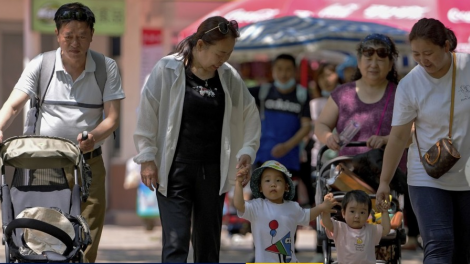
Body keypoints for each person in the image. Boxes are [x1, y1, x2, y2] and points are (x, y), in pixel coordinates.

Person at [0, 2, 124, 262]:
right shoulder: (41, 65)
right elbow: (12, 105)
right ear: (57, 35)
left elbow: (112, 118)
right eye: (68, 36)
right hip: (46, 165)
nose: (75, 43)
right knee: (44, 233)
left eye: (81, 36)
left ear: (92, 35)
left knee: (87, 235)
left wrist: (93, 138)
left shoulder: (106, 67)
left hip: (88, 164)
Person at [133, 16, 260, 263]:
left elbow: (250, 113)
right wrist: (147, 157)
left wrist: (247, 149)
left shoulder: (228, 76)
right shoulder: (167, 69)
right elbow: (147, 115)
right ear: (200, 45)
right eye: (220, 53)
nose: (224, 59)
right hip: (174, 170)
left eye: (229, 53)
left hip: (212, 171)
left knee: (207, 243)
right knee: (175, 241)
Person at [376, 18, 470, 264]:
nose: (422, 60)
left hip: (468, 173)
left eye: (428, 53)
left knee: (465, 250)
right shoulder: (410, 85)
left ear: (447, 46)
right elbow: (398, 136)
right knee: (439, 242)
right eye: (416, 54)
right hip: (427, 173)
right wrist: (384, 181)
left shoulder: (468, 67)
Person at [314, 33, 407, 172]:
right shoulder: (342, 94)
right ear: (358, 62)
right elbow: (321, 125)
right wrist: (328, 137)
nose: (374, 64)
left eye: (380, 59)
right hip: (349, 179)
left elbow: (413, 134)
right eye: (368, 58)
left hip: (390, 181)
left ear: (390, 65)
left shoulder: (402, 95)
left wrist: (386, 139)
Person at [233, 160, 338, 262]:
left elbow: (307, 215)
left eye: (278, 180)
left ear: (286, 187)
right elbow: (239, 205)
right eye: (267, 180)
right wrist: (238, 183)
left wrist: (322, 207)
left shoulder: (293, 207)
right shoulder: (257, 206)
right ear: (260, 187)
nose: (273, 184)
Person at [249, 54, 312, 204]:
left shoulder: (301, 95)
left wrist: (287, 146)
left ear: (295, 71)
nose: (284, 74)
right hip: (263, 157)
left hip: (290, 160)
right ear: (273, 70)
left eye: (288, 69)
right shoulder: (263, 92)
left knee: (288, 205)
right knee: (259, 205)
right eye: (279, 69)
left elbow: (306, 126)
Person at [321, 190, 391, 264]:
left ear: (368, 215)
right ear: (343, 213)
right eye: (352, 211)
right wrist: (326, 207)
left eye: (362, 212)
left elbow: (385, 230)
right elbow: (326, 222)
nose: (357, 216)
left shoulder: (370, 229)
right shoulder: (339, 228)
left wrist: (385, 212)